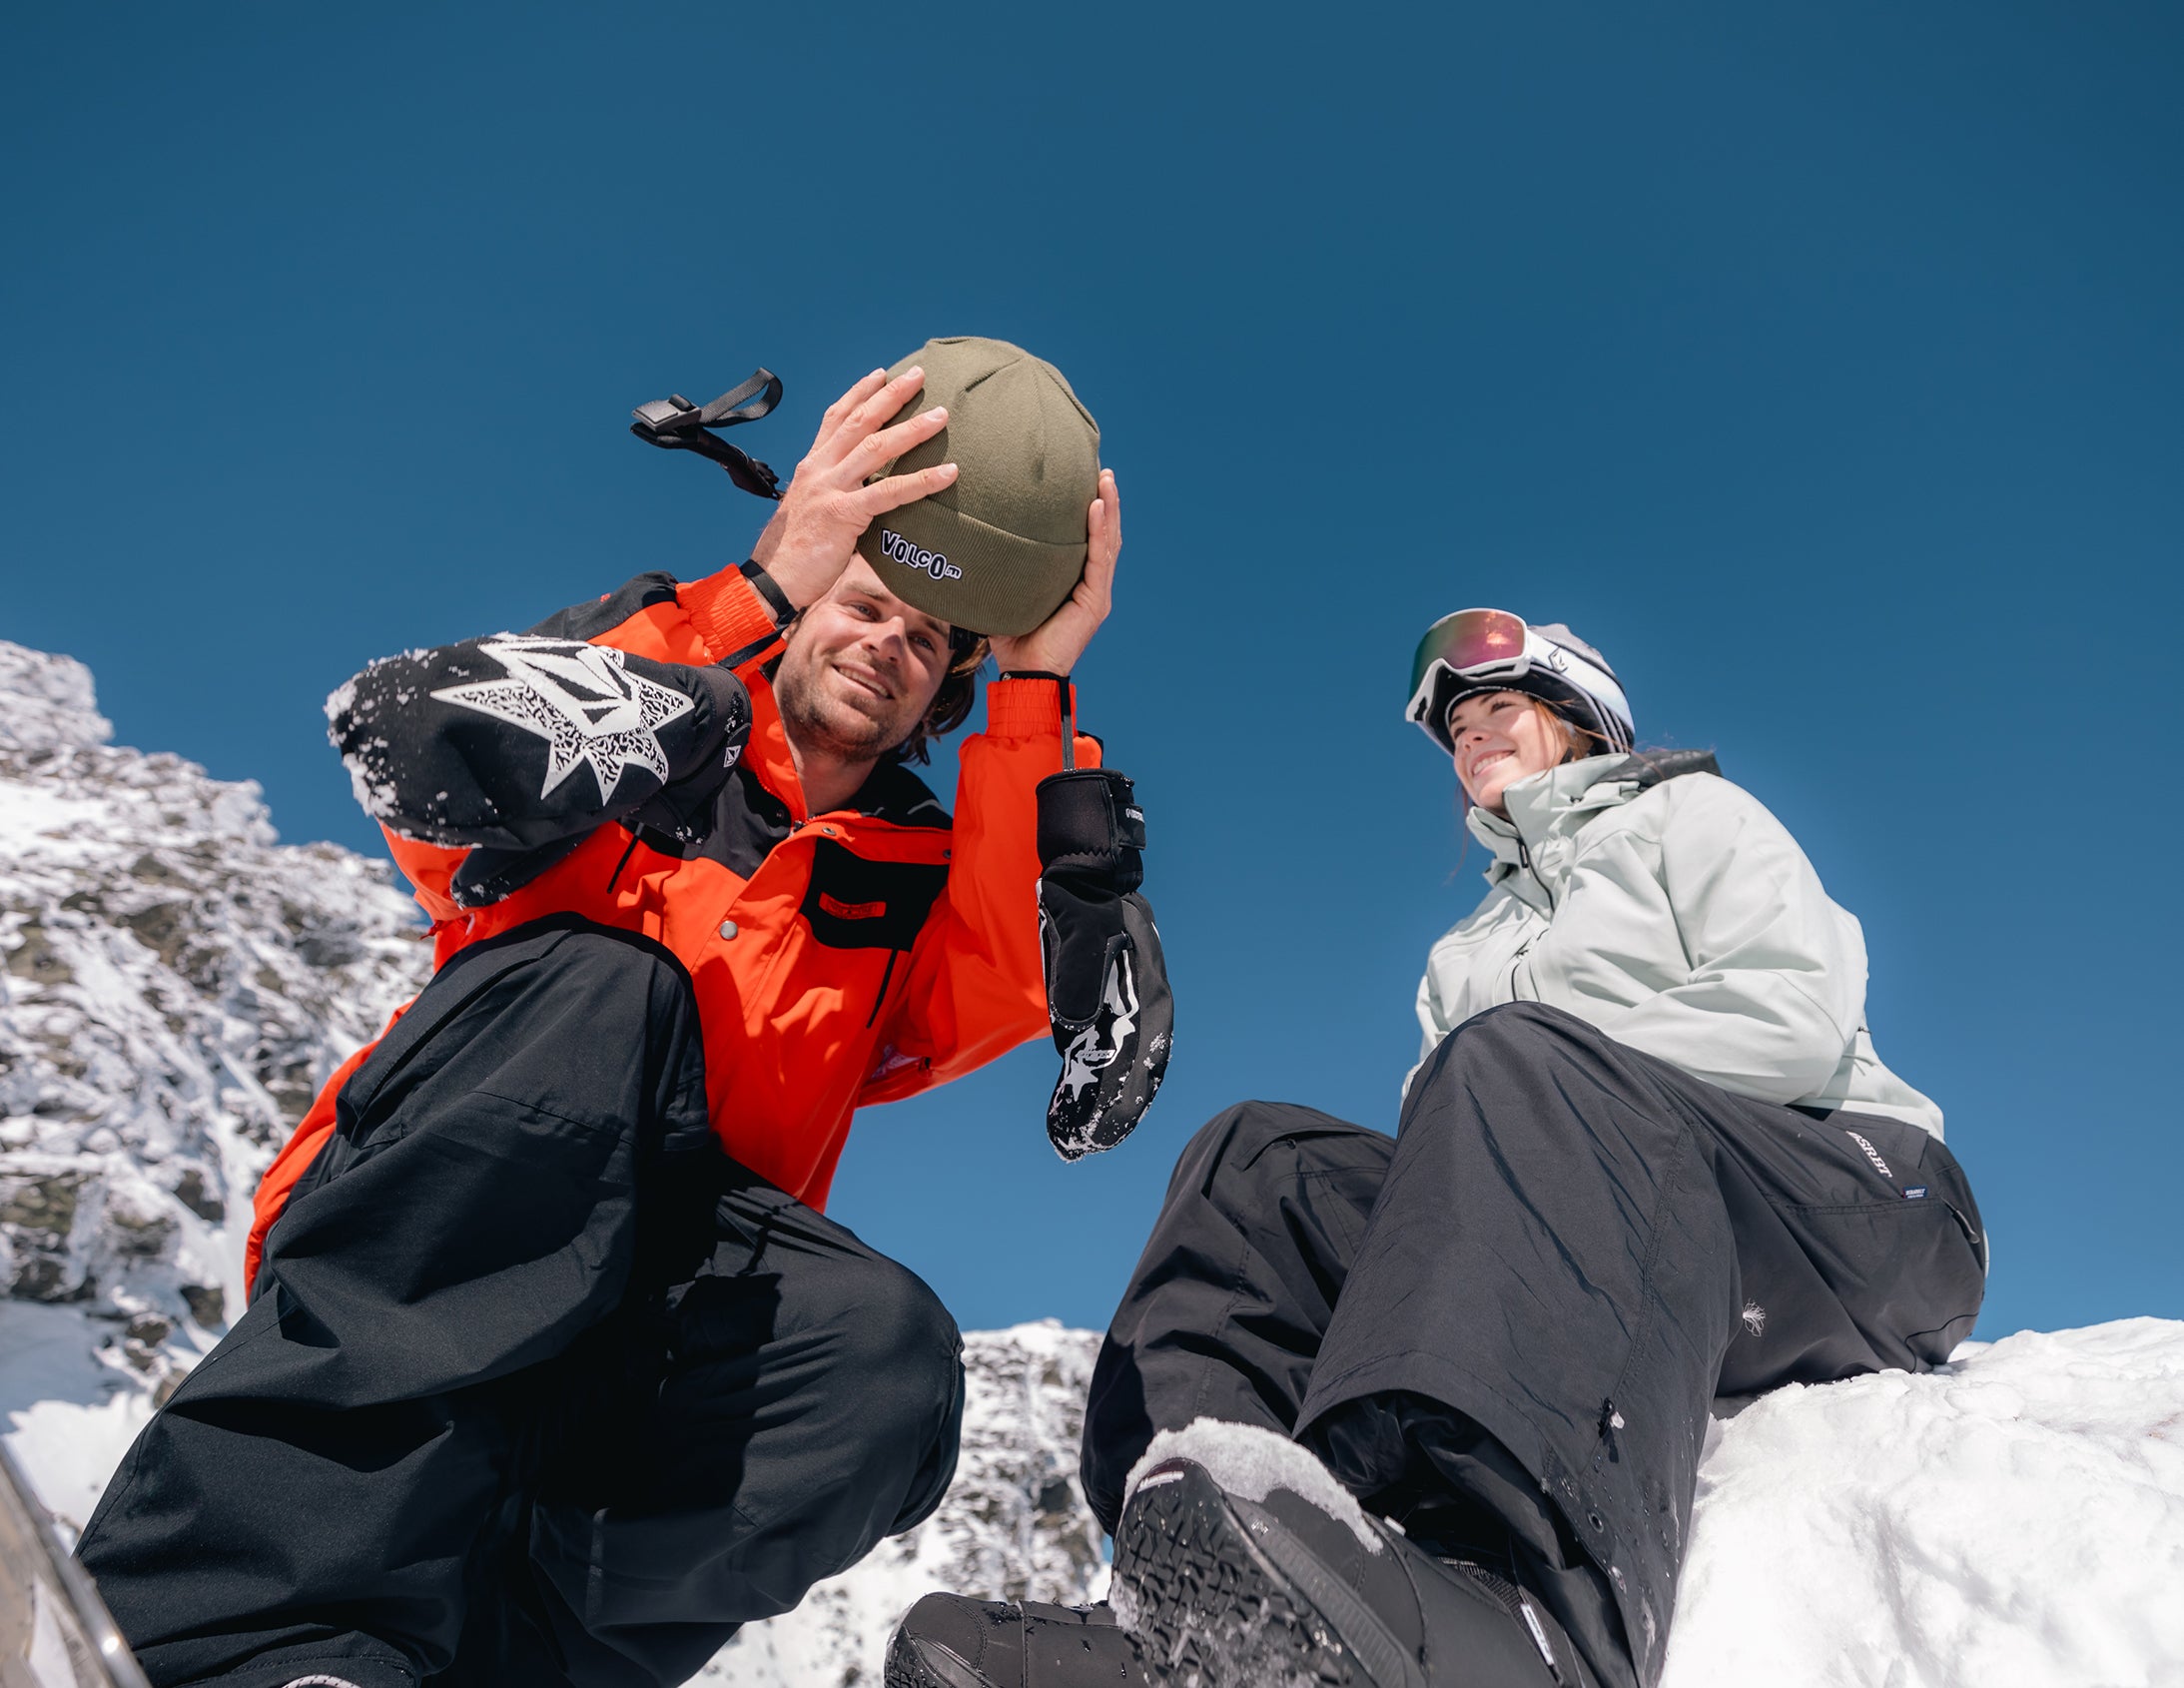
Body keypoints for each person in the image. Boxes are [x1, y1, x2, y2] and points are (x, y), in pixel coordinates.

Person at [75, 340, 1154, 1688]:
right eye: (866, 603)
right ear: (816, 597)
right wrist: (760, 579)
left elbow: (999, 971)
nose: (889, 642)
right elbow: (415, 740)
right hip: (449, 1219)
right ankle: (217, 1637)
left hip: (652, 1319)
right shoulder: (645, 725)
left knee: (879, 1355)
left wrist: (1039, 672)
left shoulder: (901, 884)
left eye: (930, 639)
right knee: (608, 992)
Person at [890, 609, 1985, 1688]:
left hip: (1849, 1203)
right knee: (1262, 1166)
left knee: (1511, 1063)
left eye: (1499, 709)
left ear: (1581, 715)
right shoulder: (1467, 950)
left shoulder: (1693, 818)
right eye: (1458, 732)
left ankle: (1532, 1619)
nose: (1472, 740)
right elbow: (1450, 1174)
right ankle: (1188, 1606)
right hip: (1611, 1230)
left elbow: (1792, 1020)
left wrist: (1556, 1073)